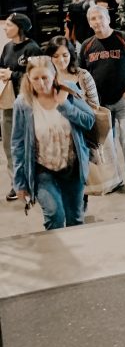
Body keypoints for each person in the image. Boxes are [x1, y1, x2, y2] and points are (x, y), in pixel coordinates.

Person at [11, 55, 94, 230]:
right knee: (55, 214)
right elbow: (18, 144)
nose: (41, 83)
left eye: (45, 78)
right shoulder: (23, 103)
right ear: (28, 79)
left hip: (72, 167)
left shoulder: (68, 90)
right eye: (36, 78)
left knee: (76, 219)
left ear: (54, 76)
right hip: (42, 171)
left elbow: (89, 121)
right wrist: (19, 183)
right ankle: (59, 254)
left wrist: (65, 105)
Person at [78, 4, 125, 193]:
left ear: (108, 19)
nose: (97, 21)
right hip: (101, 106)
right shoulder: (87, 46)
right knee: (107, 144)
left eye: (100, 17)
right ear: (89, 23)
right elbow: (80, 73)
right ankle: (115, 181)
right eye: (93, 19)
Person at [0, 12, 41, 201]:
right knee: (10, 146)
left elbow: (38, 75)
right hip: (8, 104)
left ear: (19, 27)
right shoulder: (7, 47)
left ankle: (36, 181)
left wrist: (13, 75)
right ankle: (16, 183)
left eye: (8, 25)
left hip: (29, 104)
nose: (4, 28)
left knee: (31, 144)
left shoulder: (32, 49)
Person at [45, 36, 99, 108]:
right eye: (55, 56)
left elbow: (96, 108)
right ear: (49, 57)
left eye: (65, 55)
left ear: (71, 55)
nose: (61, 60)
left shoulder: (84, 76)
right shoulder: (46, 77)